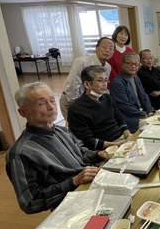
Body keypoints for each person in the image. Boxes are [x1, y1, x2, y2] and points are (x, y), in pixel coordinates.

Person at [6, 82, 108, 214]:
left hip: (92, 184)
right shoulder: (20, 153)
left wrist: (99, 154)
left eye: (52, 101)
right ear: (23, 112)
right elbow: (30, 202)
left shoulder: (60, 130)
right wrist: (74, 181)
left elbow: (81, 151)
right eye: (42, 103)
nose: (51, 107)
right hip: (72, 204)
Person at [67, 66, 130, 150]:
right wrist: (116, 144)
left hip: (121, 140)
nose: (105, 84)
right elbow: (88, 141)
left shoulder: (107, 98)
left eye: (106, 80)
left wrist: (128, 135)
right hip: (104, 148)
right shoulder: (76, 109)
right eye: (100, 80)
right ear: (87, 84)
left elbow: (120, 119)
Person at [59, 37, 114, 121]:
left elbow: (102, 87)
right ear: (96, 48)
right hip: (71, 101)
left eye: (111, 49)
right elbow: (72, 86)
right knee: (75, 130)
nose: (107, 50)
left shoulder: (108, 67)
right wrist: (78, 106)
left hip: (91, 102)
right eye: (104, 47)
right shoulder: (81, 62)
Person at [111, 52, 156, 132]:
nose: (133, 66)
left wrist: (150, 111)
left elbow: (144, 96)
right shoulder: (117, 82)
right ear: (122, 64)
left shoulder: (135, 78)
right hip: (130, 119)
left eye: (136, 64)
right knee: (154, 128)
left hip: (141, 113)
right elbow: (125, 106)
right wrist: (144, 115)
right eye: (129, 63)